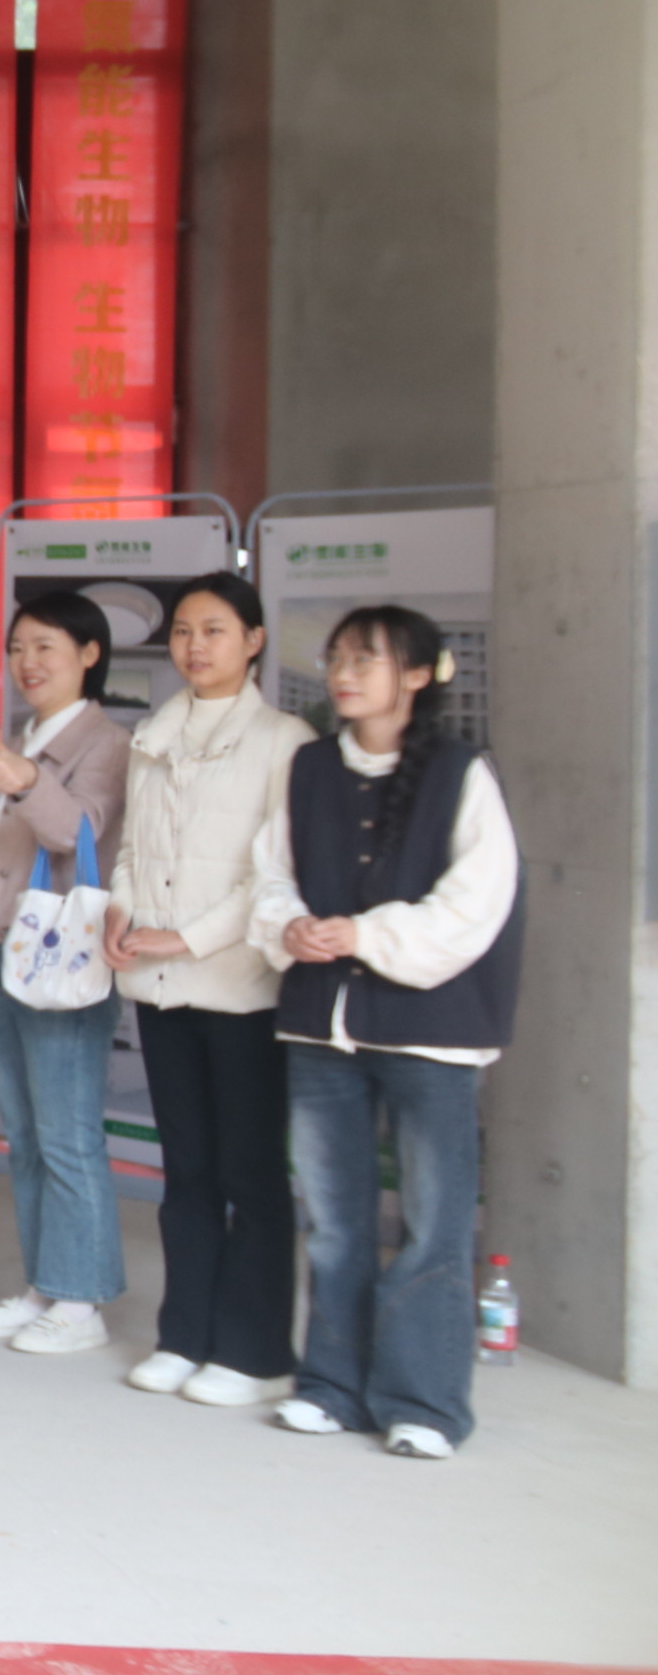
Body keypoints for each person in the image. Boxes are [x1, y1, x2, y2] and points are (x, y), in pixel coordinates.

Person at [250, 605, 521, 1460]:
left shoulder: (461, 771)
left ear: (417, 675)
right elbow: (271, 874)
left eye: (365, 660)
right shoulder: (309, 766)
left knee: (435, 1225)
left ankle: (425, 1404)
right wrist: (290, 926)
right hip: (321, 1029)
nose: (343, 674)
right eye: (338, 658)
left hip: (429, 1034)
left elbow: (478, 901)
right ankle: (331, 1386)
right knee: (335, 1220)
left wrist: (365, 934)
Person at [105, 574, 315, 1407]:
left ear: (254, 640)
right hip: (159, 987)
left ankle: (256, 1354)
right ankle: (184, 1335)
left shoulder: (285, 740)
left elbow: (276, 871)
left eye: (216, 629)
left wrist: (187, 938)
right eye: (185, 631)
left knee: (250, 1175)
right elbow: (133, 847)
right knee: (187, 1171)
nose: (196, 645)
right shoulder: (154, 732)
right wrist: (121, 912)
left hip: (241, 989)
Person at [0, 593, 132, 1358]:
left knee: (67, 1132)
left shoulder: (106, 741)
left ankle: (81, 1299)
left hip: (59, 956)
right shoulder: (19, 740)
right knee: (28, 1132)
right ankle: (47, 1284)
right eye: (17, 648)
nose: (27, 662)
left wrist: (25, 781)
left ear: (89, 654)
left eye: (45, 646)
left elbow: (80, 830)